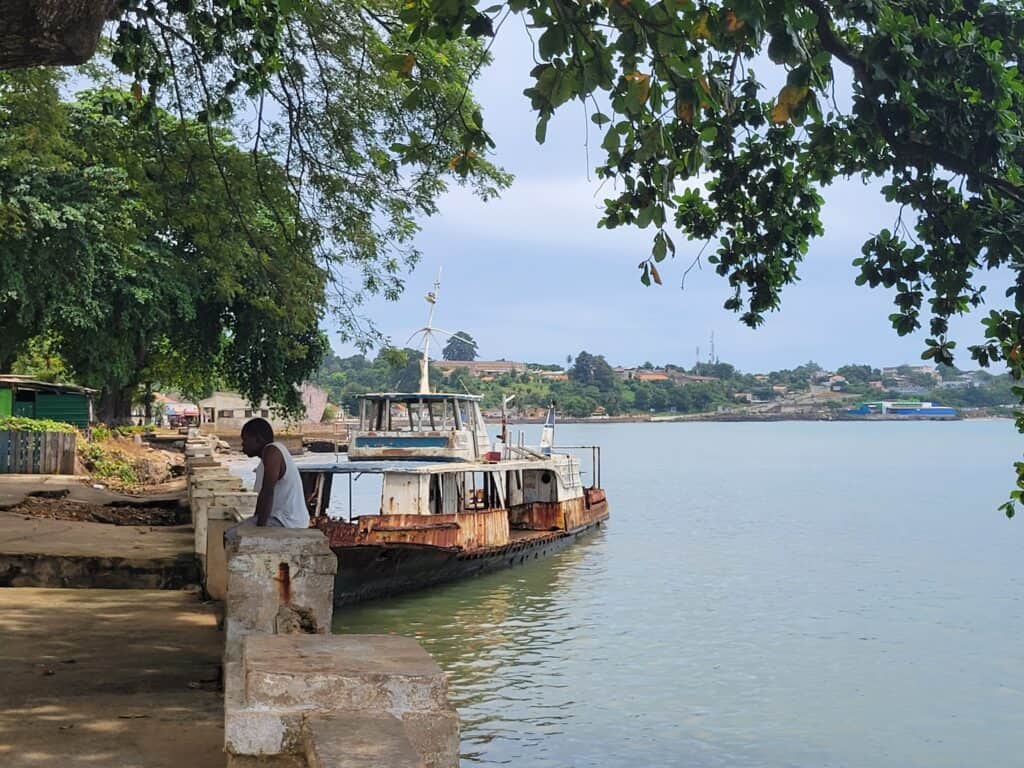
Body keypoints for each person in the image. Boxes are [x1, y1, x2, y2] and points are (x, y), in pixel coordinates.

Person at [226, 418, 309, 538]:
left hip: (287, 522)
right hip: (279, 520)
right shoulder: (266, 459)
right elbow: (262, 499)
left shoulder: (272, 451)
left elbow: (267, 492)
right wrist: (255, 521)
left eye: (245, 439)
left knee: (231, 536)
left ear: (258, 439)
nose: (242, 444)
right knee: (232, 534)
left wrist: (259, 531)